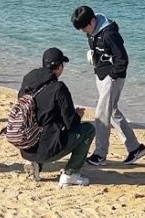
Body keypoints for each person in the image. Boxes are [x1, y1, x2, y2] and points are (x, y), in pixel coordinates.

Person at [70, 6, 145, 166]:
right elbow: (96, 47)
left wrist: (111, 77)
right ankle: (135, 148)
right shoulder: (91, 31)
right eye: (81, 29)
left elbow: (123, 59)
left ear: (93, 21)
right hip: (101, 75)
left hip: (112, 79)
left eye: (85, 27)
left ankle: (100, 154)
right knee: (111, 112)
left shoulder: (110, 34)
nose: (84, 31)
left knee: (100, 115)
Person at [18, 48, 96, 187]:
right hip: (48, 149)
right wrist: (77, 115)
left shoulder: (28, 79)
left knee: (42, 124)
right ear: (59, 67)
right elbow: (72, 124)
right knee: (88, 129)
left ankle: (35, 163)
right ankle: (71, 173)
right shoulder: (58, 88)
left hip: (26, 145)